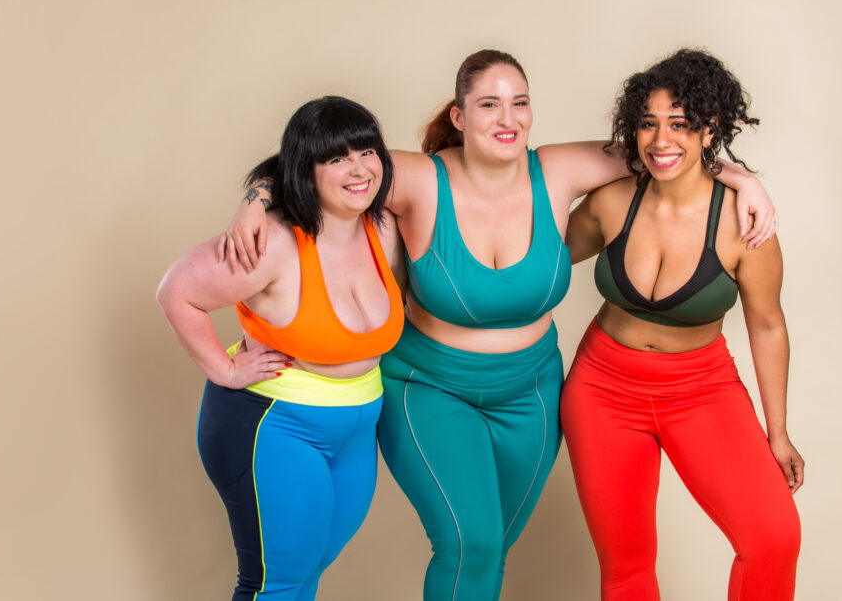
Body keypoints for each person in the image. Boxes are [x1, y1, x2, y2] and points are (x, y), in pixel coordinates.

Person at [221, 50, 778, 601]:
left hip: (531, 392)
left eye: (520, 103)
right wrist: (257, 198)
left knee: (491, 551)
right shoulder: (416, 177)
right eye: (489, 104)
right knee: (471, 543)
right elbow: (316, 163)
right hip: (430, 386)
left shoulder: (559, 170)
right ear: (460, 116)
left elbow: (661, 151)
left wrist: (742, 178)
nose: (506, 118)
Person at [560, 49, 803, 601]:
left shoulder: (745, 226)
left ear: (709, 128)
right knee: (626, 567)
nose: (661, 139)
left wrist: (778, 432)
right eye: (648, 123)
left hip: (700, 390)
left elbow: (767, 327)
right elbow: (540, 266)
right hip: (601, 390)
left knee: (773, 538)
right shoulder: (612, 202)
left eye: (680, 124)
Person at [156, 96, 405, 601]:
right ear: (306, 171)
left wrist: (256, 190)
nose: (358, 169)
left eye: (366, 151)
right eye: (336, 158)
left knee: (308, 571)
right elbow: (175, 290)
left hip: (355, 430)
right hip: (275, 427)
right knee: (276, 584)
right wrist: (224, 370)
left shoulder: (383, 227)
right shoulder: (269, 243)